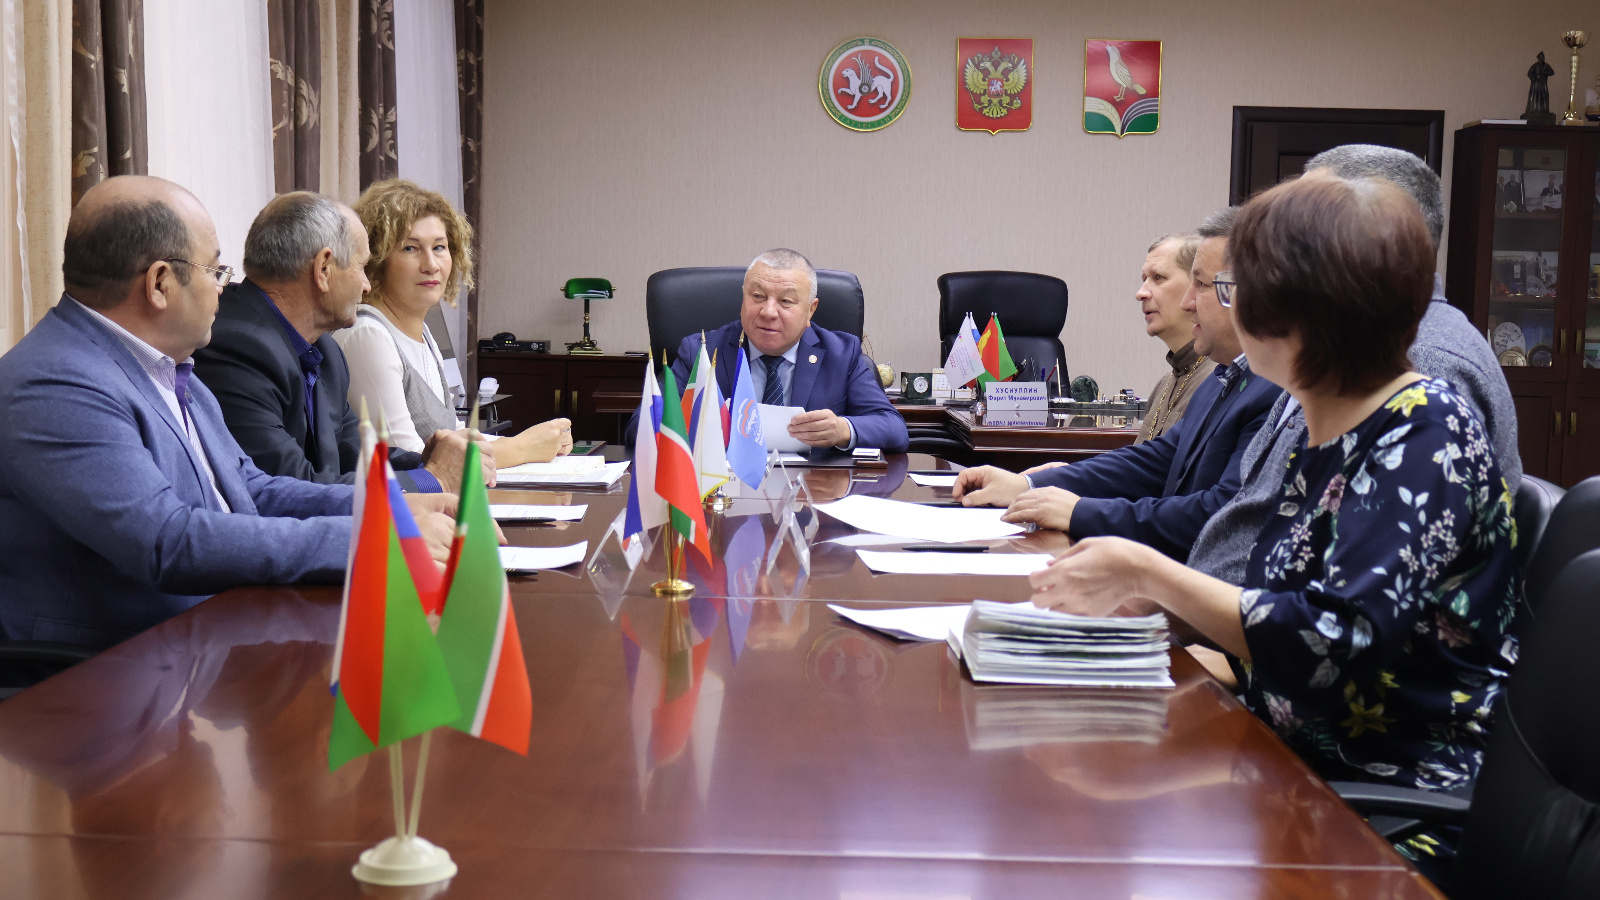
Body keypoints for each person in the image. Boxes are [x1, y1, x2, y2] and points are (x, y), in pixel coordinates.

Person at [1028, 174, 1517, 874]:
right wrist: (1145, 621)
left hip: (1387, 807)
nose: (1208, 304)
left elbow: (1333, 641)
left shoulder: (1424, 432)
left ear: (1301, 310)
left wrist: (1147, 573)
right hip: (1290, 764)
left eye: (1232, 288)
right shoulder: (1329, 421)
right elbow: (1284, 600)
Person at [0, 176, 455, 650]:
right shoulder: (56, 384)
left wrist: (392, 508)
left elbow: (252, 490)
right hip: (106, 671)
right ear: (160, 284)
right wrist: (374, 539)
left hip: (209, 639)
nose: (225, 289)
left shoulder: (174, 369)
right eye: (216, 271)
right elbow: (168, 541)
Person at [1187, 144, 1521, 587]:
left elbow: (1346, 621)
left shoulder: (1424, 406)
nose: (1234, 302)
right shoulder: (1333, 394)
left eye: (1242, 282)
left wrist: (1155, 581)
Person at [953, 210, 1282, 561]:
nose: (1188, 303)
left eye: (1200, 285)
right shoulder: (1224, 378)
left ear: (1247, 292)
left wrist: (1080, 511)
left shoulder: (1273, 390)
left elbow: (1220, 515)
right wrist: (1029, 485)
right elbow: (1155, 461)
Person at [193, 192, 490, 493]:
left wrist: (426, 462)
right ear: (324, 269)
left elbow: (358, 454)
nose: (367, 285)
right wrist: (433, 478)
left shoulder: (326, 351)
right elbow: (291, 486)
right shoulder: (238, 349)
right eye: (362, 267)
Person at [334, 179, 573, 465]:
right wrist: (523, 449)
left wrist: (540, 441)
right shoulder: (366, 335)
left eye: (439, 247)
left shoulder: (423, 332)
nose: (431, 265)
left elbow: (454, 434)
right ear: (376, 258)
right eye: (410, 248)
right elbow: (408, 458)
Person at [637, 248, 908, 453]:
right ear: (743, 298)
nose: (768, 312)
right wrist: (697, 425)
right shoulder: (702, 351)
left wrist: (842, 430)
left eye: (786, 301)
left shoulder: (842, 353)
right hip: (723, 492)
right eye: (757, 297)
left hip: (811, 492)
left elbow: (894, 428)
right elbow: (641, 425)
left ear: (810, 310)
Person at [1132, 232, 1208, 443]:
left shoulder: (1218, 379)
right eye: (1144, 280)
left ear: (1197, 285)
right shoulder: (1165, 384)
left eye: (1158, 278)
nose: (1141, 293)